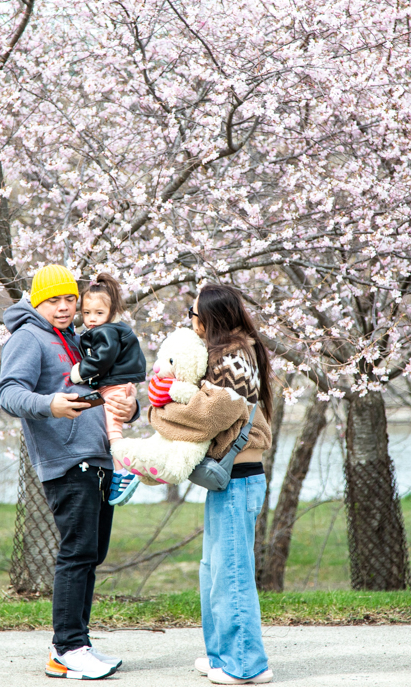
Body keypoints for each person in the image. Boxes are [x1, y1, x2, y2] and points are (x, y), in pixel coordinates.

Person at [0, 264, 139, 681]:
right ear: (37, 301)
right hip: (66, 461)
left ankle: (78, 642)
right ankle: (67, 648)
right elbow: (8, 392)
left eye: (69, 299)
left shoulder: (77, 339)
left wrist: (130, 409)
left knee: (93, 555)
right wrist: (50, 404)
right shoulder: (28, 337)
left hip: (98, 459)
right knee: (77, 552)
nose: (64, 307)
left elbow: (103, 389)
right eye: (54, 300)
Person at [147, 284, 275, 685]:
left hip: (239, 478)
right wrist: (167, 404)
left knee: (232, 573)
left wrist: (158, 413)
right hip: (232, 481)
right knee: (215, 571)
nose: (190, 318)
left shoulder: (235, 357)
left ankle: (246, 666)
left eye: (194, 311)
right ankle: (222, 656)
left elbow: (207, 417)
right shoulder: (225, 354)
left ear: (213, 317)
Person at [69, 273, 148, 506]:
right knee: (102, 417)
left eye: (99, 313)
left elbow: (102, 360)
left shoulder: (107, 331)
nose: (91, 319)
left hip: (113, 387)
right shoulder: (102, 330)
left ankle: (125, 471)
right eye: (86, 313)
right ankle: (121, 469)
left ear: (111, 312)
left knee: (113, 431)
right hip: (108, 388)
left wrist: (78, 371)